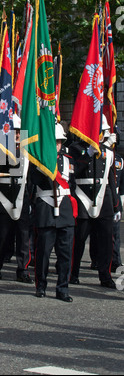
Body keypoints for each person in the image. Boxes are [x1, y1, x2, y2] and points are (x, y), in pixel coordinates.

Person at [69, 115, 120, 289]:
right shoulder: (75, 149)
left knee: (106, 240)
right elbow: (73, 172)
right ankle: (73, 272)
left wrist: (116, 205)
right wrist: (87, 154)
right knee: (79, 239)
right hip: (83, 197)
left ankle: (105, 275)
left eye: (101, 132)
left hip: (103, 199)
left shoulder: (109, 152)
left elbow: (111, 181)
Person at [31, 123, 77, 302]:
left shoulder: (68, 160)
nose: (57, 145)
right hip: (46, 207)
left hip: (64, 209)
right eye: (54, 141)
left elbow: (71, 184)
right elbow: (34, 180)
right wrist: (44, 166)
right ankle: (40, 285)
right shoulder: (39, 160)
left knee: (65, 254)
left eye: (59, 142)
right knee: (43, 252)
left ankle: (62, 288)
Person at [0, 114, 33, 284]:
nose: (16, 134)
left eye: (18, 131)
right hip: (4, 195)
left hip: (22, 194)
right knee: (1, 235)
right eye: (13, 131)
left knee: (23, 237)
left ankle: (23, 269)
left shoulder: (28, 149)